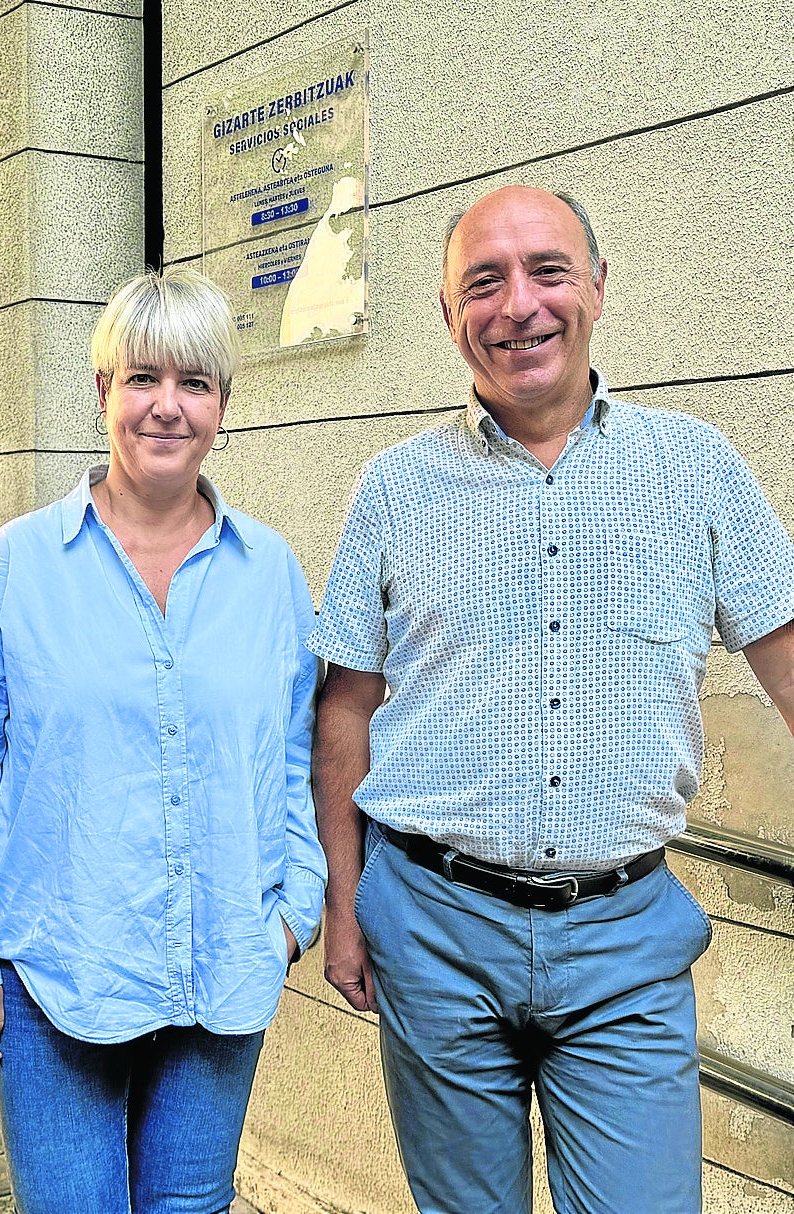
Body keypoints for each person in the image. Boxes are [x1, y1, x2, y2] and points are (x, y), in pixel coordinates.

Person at [309, 184, 794, 1214]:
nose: (516, 305)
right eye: (481, 283)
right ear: (449, 314)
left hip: (623, 939)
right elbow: (343, 707)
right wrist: (345, 908)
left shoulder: (695, 466)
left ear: (598, 287)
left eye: (547, 271)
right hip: (432, 927)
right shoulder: (394, 487)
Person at [0, 266, 326, 1214]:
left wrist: (293, 912)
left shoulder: (268, 570)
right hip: (57, 967)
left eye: (194, 382)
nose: (166, 406)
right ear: (103, 390)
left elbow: (294, 756)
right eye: (142, 378)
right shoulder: (21, 563)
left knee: (192, 1205)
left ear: (223, 404)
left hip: (223, 959)